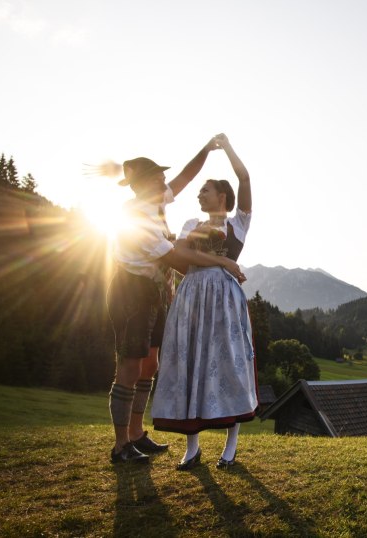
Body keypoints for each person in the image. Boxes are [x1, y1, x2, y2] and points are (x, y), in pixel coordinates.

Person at [107, 138, 245, 464]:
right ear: (144, 185)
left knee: (150, 363)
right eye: (157, 177)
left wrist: (207, 149)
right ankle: (120, 444)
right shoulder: (138, 218)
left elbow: (184, 176)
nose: (164, 181)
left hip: (153, 293)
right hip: (132, 292)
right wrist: (224, 265)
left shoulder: (156, 202)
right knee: (129, 364)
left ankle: (138, 433)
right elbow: (180, 262)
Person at [151, 133, 258, 470]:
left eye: (205, 190)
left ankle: (231, 444)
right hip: (192, 295)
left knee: (228, 363)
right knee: (190, 361)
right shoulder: (190, 224)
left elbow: (245, 177)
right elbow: (180, 254)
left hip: (224, 299)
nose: (198, 193)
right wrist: (224, 262)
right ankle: (192, 446)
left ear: (221, 196)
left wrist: (225, 148)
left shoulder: (238, 222)